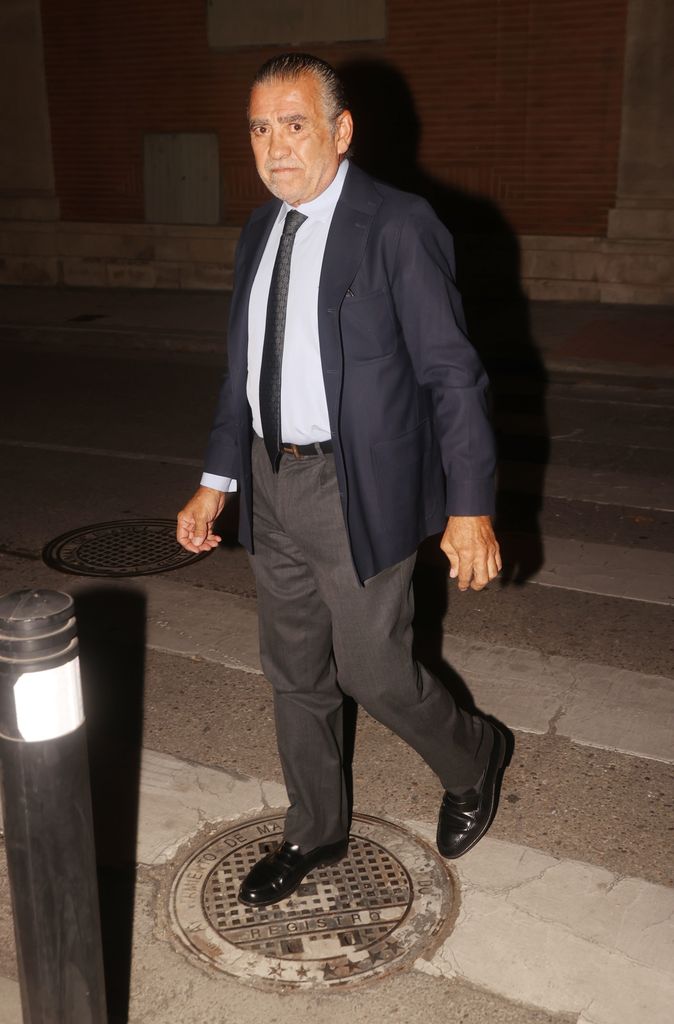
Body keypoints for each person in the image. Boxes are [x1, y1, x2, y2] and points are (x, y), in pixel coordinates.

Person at [177, 53, 505, 908]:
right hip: (269, 479)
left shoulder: (397, 224)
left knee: (373, 671)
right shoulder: (260, 230)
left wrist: (470, 506)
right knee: (293, 670)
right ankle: (314, 830)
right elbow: (243, 370)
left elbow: (453, 375)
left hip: (356, 486)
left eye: (295, 124)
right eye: (260, 128)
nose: (275, 145)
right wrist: (217, 479)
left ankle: (474, 754)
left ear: (341, 130)